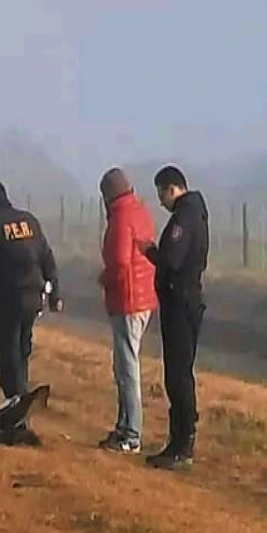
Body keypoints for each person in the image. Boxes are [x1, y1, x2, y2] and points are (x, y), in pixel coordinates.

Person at [0, 180, 62, 400]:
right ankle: (22, 394)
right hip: (34, 297)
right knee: (22, 348)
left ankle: (16, 404)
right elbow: (47, 257)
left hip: (8, 299)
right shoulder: (29, 221)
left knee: (7, 353)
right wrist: (55, 294)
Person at [138, 166, 209, 470]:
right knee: (180, 372)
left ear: (171, 188)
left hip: (180, 303)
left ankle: (182, 444)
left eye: (160, 194)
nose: (161, 202)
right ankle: (179, 441)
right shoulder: (195, 214)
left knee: (178, 375)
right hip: (186, 300)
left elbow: (173, 260)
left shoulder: (184, 218)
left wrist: (153, 254)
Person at [97, 168, 158, 454]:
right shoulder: (140, 210)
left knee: (127, 367)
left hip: (128, 298)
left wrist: (104, 279)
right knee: (123, 365)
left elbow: (120, 262)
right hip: (143, 295)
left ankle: (131, 433)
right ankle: (124, 426)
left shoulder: (120, 217)